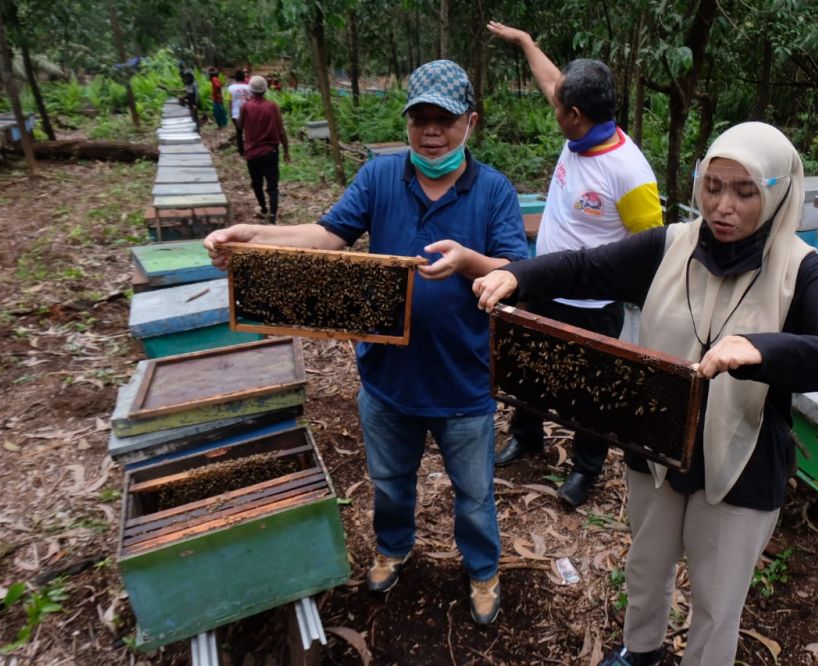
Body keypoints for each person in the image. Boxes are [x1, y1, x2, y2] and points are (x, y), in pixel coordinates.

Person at [473, 122, 818, 664]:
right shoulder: (669, 245)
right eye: (712, 186)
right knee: (646, 566)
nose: (723, 206)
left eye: (744, 191)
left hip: (741, 462)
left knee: (716, 601)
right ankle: (641, 651)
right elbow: (587, 268)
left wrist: (763, 351)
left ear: (777, 192)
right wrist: (519, 275)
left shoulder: (799, 270)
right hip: (655, 445)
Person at [205, 60, 528, 626]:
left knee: (474, 496)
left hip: (464, 380)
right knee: (390, 481)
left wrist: (466, 262)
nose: (431, 132)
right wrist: (256, 236)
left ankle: (482, 570)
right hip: (387, 378)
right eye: (420, 119)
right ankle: (393, 547)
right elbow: (327, 236)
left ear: (469, 123)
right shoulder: (381, 177)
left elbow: (515, 271)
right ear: (406, 122)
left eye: (444, 120)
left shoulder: (495, 191)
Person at [487, 22, 663, 507]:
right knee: (528, 366)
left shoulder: (630, 173)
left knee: (593, 388)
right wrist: (527, 41)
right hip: (543, 283)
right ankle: (527, 435)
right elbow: (551, 81)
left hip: (592, 302)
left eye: (559, 106)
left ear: (577, 115)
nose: (553, 106)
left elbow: (652, 247)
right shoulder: (581, 129)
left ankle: (586, 469)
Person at [239, 75, 290, 224]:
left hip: (252, 152)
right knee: (272, 186)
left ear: (251, 90)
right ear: (265, 90)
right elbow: (281, 130)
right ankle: (273, 217)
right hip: (270, 151)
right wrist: (286, 150)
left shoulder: (245, 106)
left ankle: (263, 207)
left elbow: (240, 125)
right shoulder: (272, 106)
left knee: (256, 183)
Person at [227, 70, 252, 155]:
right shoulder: (249, 88)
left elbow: (230, 102)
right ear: (244, 78)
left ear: (235, 78)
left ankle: (241, 151)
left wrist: (230, 113)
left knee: (239, 133)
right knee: (248, 132)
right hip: (248, 113)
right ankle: (250, 148)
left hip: (236, 114)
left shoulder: (230, 88)